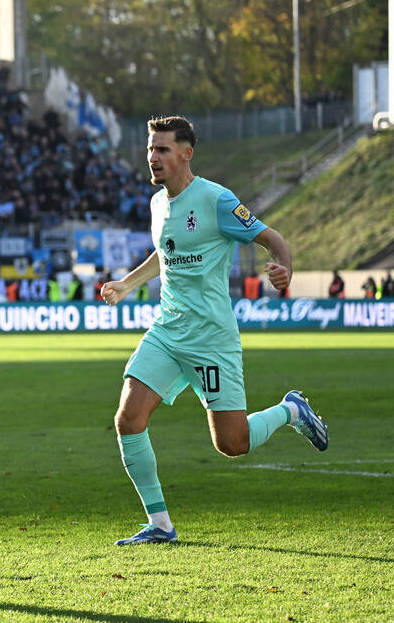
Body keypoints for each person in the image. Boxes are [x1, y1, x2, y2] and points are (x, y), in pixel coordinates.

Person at [100, 116, 328, 546]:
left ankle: (291, 410)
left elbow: (272, 238)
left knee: (233, 443)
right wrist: (127, 284)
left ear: (186, 153)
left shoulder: (217, 200)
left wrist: (285, 268)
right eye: (150, 149)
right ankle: (161, 524)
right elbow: (165, 254)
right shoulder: (157, 204)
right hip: (168, 331)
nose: (154, 157)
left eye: (163, 149)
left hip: (211, 340)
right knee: (128, 420)